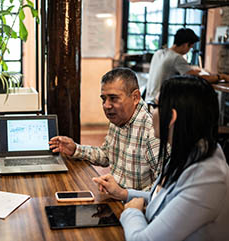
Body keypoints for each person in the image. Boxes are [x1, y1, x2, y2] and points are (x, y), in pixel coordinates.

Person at [93, 75, 229, 241]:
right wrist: (123, 193)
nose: (151, 112)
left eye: (155, 106)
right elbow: (162, 198)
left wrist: (132, 211)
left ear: (171, 117)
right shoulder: (189, 151)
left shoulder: (208, 178)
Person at [49, 67, 161, 191]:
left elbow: (163, 189)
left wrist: (126, 194)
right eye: (103, 99)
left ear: (135, 97)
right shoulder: (118, 118)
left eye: (113, 98)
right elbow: (107, 155)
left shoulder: (153, 131)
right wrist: (75, 149)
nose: (106, 106)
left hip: (137, 207)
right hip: (116, 199)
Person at [145, 28, 229, 102]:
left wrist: (192, 71)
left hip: (149, 100)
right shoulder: (176, 58)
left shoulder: (159, 52)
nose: (189, 50)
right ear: (185, 44)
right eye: (190, 47)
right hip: (160, 103)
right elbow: (197, 79)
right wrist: (221, 76)